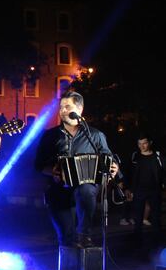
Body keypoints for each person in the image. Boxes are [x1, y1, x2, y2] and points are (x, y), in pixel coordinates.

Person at [34, 91, 119, 249]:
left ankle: (85, 234)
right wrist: (52, 170)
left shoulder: (95, 135)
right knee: (67, 238)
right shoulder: (50, 136)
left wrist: (114, 168)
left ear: (79, 110)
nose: (63, 111)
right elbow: (38, 165)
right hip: (59, 192)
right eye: (61, 107)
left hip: (86, 191)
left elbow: (108, 158)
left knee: (86, 189)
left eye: (67, 107)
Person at [126, 134, 163, 234]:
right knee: (138, 217)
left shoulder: (158, 156)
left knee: (156, 217)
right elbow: (129, 173)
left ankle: (157, 240)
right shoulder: (135, 156)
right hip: (138, 191)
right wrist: (129, 189)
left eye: (144, 143)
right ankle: (137, 240)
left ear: (150, 143)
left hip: (154, 190)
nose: (141, 146)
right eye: (139, 144)